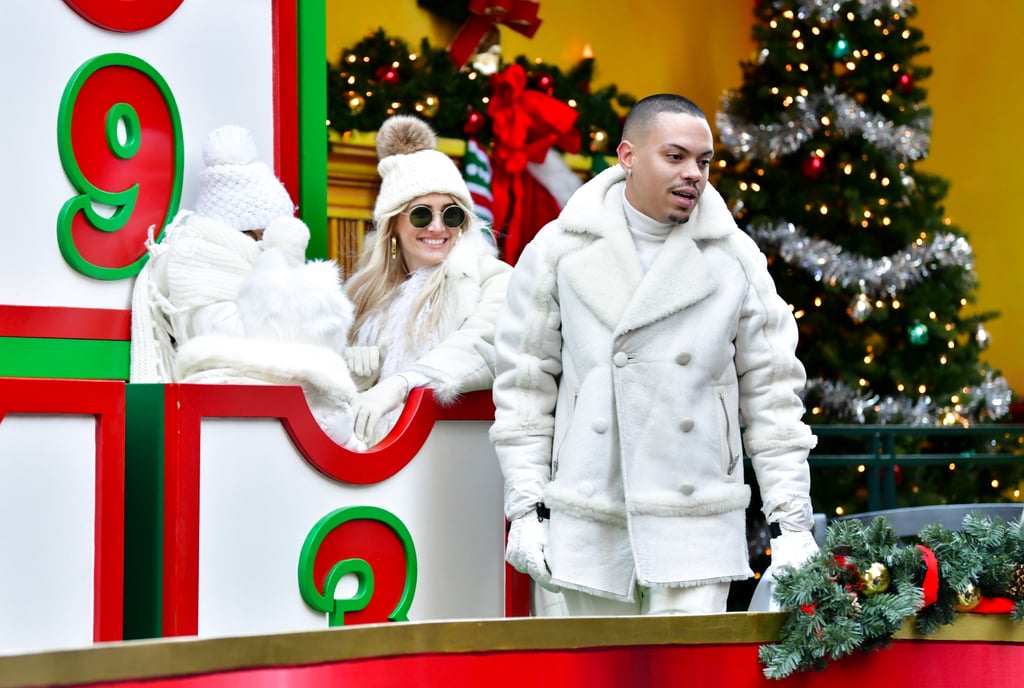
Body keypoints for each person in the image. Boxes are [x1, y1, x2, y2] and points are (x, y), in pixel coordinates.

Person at [489, 94, 819, 616]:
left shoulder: (736, 258)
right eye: (675, 156)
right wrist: (526, 509)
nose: (694, 173)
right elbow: (524, 390)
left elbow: (774, 394)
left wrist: (792, 523)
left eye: (704, 161)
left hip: (696, 525)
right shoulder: (558, 250)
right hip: (587, 523)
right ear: (627, 156)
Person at [130, 124, 363, 449]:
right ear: (252, 231)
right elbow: (257, 337)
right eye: (269, 229)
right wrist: (285, 263)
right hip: (237, 414)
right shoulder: (203, 266)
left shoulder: (240, 266)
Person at [344, 115, 512, 446]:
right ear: (394, 225)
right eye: (422, 213)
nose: (437, 227)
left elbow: (484, 344)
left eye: (451, 214)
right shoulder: (362, 297)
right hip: (374, 460)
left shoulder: (493, 279)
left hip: (454, 458)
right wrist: (353, 372)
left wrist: (400, 383)